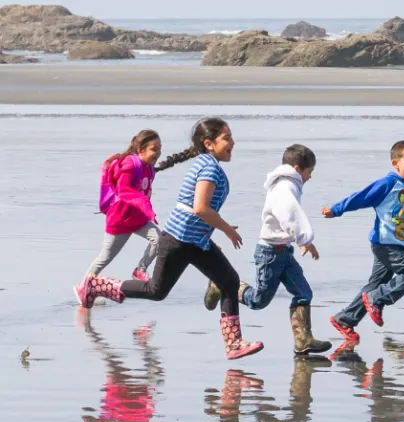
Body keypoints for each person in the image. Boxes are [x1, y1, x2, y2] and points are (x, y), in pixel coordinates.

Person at [73, 117, 264, 360]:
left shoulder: (208, 164)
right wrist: (226, 228)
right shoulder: (208, 168)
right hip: (179, 241)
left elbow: (200, 212)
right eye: (226, 138)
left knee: (229, 281)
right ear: (209, 143)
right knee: (156, 291)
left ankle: (233, 344)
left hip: (196, 241)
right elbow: (200, 208)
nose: (232, 143)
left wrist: (213, 232)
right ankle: (98, 286)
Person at [204, 144, 331, 355]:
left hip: (284, 252)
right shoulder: (285, 187)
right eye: (310, 172)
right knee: (257, 301)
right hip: (270, 253)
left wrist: (301, 240)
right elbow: (288, 214)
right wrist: (304, 239)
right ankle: (221, 284)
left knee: (303, 292)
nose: (309, 177)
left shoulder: (288, 184)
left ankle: (303, 340)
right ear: (299, 169)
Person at [321, 140, 404, 342]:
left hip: (398, 245)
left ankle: (345, 319)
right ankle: (376, 299)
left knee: (376, 284)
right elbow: (360, 198)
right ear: (396, 163)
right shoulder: (387, 184)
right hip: (383, 244)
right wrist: (336, 210)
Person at [74, 130, 162, 308]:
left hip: (138, 218)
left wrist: (145, 209)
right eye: (154, 149)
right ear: (140, 150)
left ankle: (140, 269)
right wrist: (145, 204)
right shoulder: (129, 165)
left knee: (158, 239)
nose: (158, 153)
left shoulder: (148, 167)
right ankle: (83, 286)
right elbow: (123, 190)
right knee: (105, 257)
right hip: (120, 220)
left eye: (160, 148)